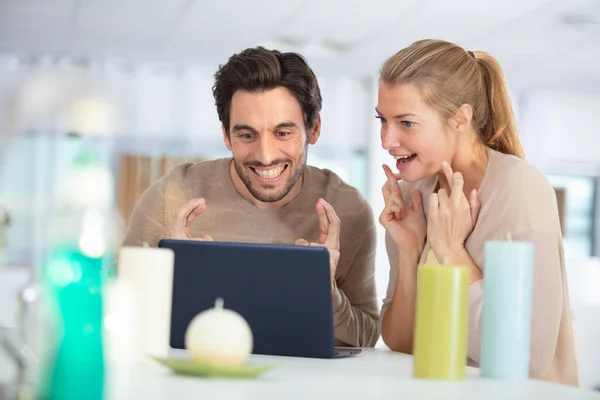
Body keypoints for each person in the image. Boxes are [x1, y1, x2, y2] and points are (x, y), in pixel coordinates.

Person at [121, 47, 380, 347]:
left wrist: (325, 291)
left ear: (314, 128)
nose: (265, 156)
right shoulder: (171, 196)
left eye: (283, 133)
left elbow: (366, 337)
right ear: (226, 135)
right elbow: (118, 312)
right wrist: (176, 276)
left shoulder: (348, 211)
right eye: (246, 135)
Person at [376, 39, 578, 385]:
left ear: (460, 118)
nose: (386, 140)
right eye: (383, 120)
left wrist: (452, 252)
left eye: (406, 123)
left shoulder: (520, 188)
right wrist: (409, 251)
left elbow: (528, 358)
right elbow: (402, 343)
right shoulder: (415, 193)